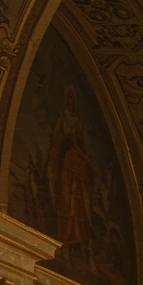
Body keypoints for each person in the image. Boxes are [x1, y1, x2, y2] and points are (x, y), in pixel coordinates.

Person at [50, 85, 95, 271]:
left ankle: (82, 248)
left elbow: (82, 146)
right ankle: (65, 246)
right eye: (67, 100)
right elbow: (55, 140)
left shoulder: (77, 123)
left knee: (79, 207)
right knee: (67, 205)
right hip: (67, 164)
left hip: (76, 164)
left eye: (72, 100)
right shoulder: (62, 120)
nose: (69, 103)